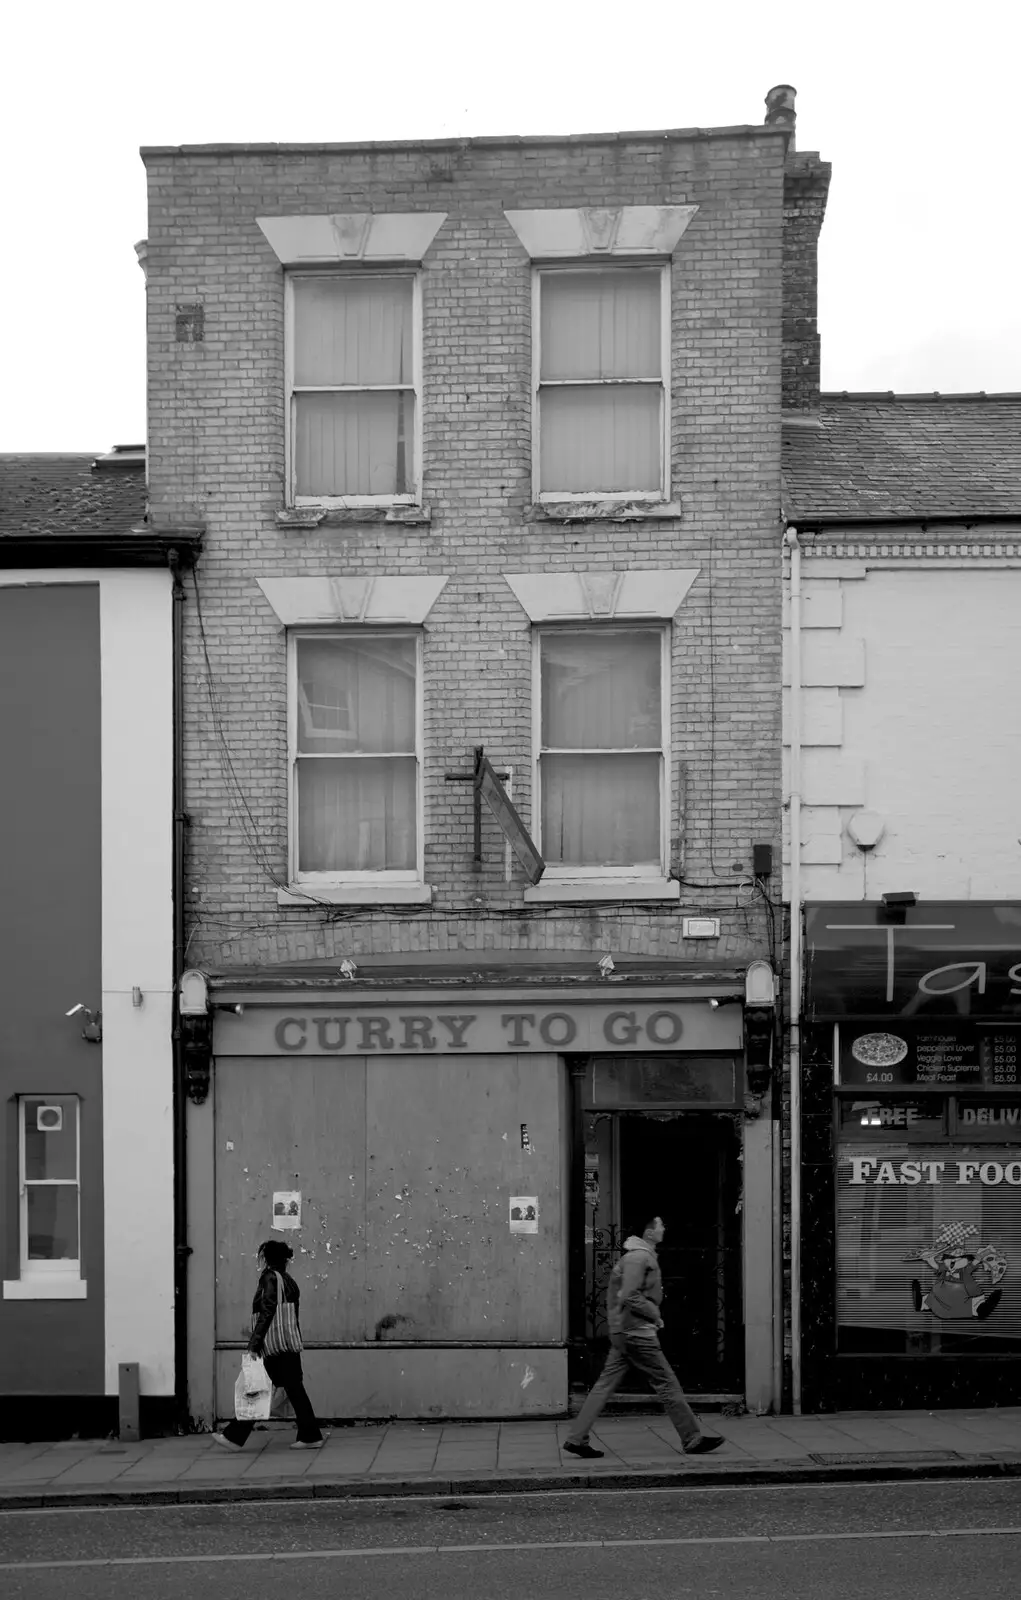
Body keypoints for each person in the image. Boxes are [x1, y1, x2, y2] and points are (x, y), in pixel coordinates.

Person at [563, 1215, 724, 1459]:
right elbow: (629, 1295)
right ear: (649, 1233)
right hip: (638, 1333)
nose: (664, 1228)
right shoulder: (639, 1257)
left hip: (625, 1332)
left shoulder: (637, 1256)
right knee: (667, 1383)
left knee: (603, 1386)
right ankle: (692, 1438)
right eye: (661, 1225)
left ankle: (577, 1438)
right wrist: (654, 1313)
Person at [212, 1238, 326, 1451]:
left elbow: (268, 1311)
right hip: (287, 1343)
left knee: (260, 1388)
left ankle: (234, 1437)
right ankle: (310, 1435)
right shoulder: (288, 1280)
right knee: (293, 1390)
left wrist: (255, 1343)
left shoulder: (270, 1278)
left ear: (266, 1258)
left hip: (275, 1347)